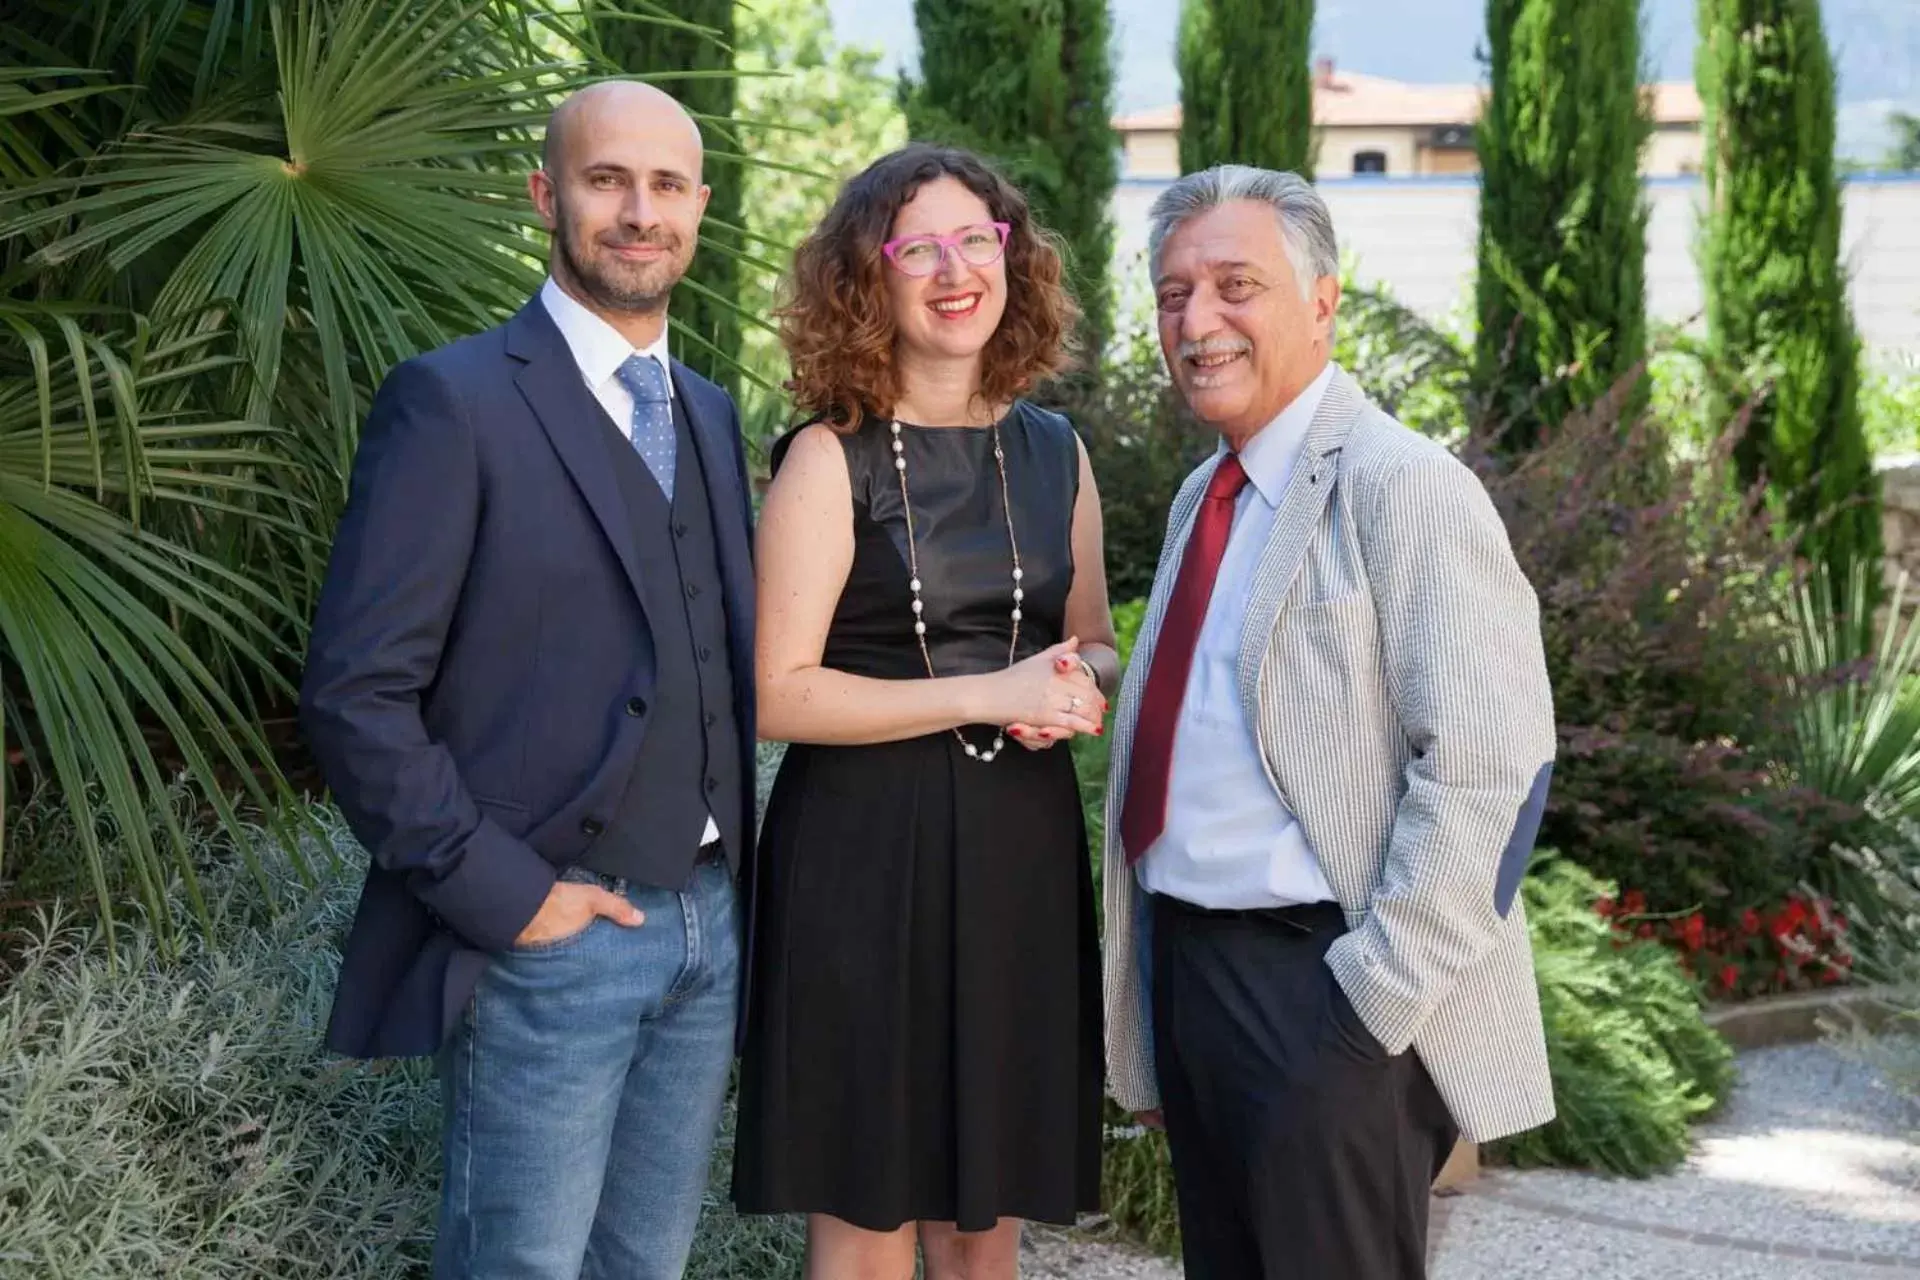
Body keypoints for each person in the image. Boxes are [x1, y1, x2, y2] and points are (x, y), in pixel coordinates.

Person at [300, 82, 756, 1280]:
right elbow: (355, 695)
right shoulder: (453, 401)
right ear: (547, 195)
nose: (638, 212)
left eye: (666, 186)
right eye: (608, 180)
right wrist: (508, 894)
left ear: (700, 207)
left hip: (711, 927)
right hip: (550, 935)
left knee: (643, 1269)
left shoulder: (709, 412)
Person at [1101, 164, 1557, 1280]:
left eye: (1233, 285)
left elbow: (1494, 768)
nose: (1197, 321)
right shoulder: (1204, 493)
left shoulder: (1404, 485)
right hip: (1195, 970)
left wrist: (1371, 1002)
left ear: (1321, 300)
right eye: (1172, 293)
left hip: (1325, 990)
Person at [733, 143, 1112, 1280]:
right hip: (863, 858)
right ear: (871, 278)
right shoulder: (826, 456)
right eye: (918, 248)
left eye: (975, 241)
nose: (953, 270)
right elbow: (776, 692)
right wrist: (991, 691)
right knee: (867, 1219)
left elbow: (1091, 637)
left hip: (1018, 857)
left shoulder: (1057, 450)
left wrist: (1079, 685)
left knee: (983, 1221)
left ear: (1012, 260)